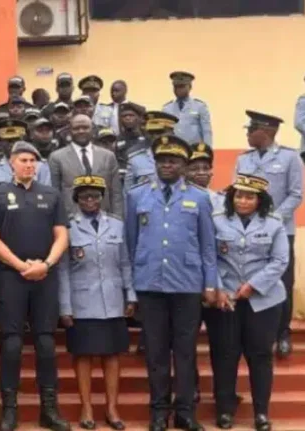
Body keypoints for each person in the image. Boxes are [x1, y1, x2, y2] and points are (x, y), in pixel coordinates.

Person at [125, 135, 216, 431]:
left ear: (184, 165)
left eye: (174, 160)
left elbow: (207, 246)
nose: (167, 164)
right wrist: (130, 288)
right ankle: (158, 411)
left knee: (186, 351)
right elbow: (130, 244)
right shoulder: (138, 196)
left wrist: (210, 283)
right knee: (156, 351)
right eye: (163, 159)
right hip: (149, 284)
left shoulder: (200, 198)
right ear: (155, 162)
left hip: (187, 285)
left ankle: (186, 411)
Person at [0, 141, 71, 431]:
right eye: (23, 160)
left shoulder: (52, 195)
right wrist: (22, 267)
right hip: (11, 278)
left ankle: (50, 408)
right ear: (11, 163)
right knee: (12, 344)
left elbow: (61, 236)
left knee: (45, 344)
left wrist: (44, 265)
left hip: (45, 278)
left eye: (33, 160)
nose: (29, 165)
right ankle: (9, 410)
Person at [208, 174, 289, 431]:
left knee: (260, 355)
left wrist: (252, 286)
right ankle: (225, 412)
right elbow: (209, 258)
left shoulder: (274, 223)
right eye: (239, 195)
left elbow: (280, 261)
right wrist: (220, 288)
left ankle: (261, 413)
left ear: (260, 199)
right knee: (224, 355)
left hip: (264, 300)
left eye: (249, 196)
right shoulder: (217, 221)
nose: (243, 200)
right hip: (226, 299)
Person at [57, 175, 135, 430]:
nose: (90, 201)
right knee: (83, 356)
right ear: (76, 199)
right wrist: (65, 307)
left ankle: (112, 408)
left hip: (112, 300)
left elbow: (125, 263)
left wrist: (130, 295)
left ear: (103, 198)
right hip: (82, 302)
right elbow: (63, 271)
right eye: (84, 196)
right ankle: (87, 407)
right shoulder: (67, 228)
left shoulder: (117, 225)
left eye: (95, 196)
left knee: (112, 355)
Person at [233, 110, 304, 358]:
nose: (248, 134)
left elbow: (296, 194)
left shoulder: (289, 157)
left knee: (282, 281)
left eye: (252, 130)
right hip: (248, 231)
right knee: (251, 278)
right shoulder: (244, 160)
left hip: (281, 230)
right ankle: (255, 334)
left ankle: (283, 333)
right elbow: (236, 192)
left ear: (267, 131)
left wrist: (272, 218)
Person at [48, 114, 124, 217]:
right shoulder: (56, 157)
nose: (81, 131)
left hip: (105, 219)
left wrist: (118, 220)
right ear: (70, 130)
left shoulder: (108, 156)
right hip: (71, 220)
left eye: (85, 127)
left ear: (92, 129)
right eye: (76, 128)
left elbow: (116, 193)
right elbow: (54, 193)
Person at [162, 72, 213, 147]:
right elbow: (164, 132)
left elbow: (206, 132)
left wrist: (207, 152)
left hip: (194, 151)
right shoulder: (167, 108)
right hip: (174, 151)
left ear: (190, 87)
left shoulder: (200, 106)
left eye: (182, 86)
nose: (178, 90)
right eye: (176, 87)